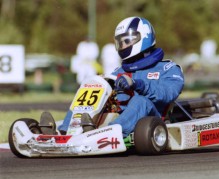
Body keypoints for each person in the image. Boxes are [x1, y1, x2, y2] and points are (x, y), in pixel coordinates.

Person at [50, 16, 184, 137]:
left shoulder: (168, 68)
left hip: (153, 119)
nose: (123, 45)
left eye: (127, 41)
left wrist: (138, 84)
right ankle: (64, 132)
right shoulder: (119, 70)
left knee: (141, 101)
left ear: (144, 37)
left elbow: (168, 93)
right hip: (119, 116)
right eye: (120, 42)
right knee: (88, 88)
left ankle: (108, 133)